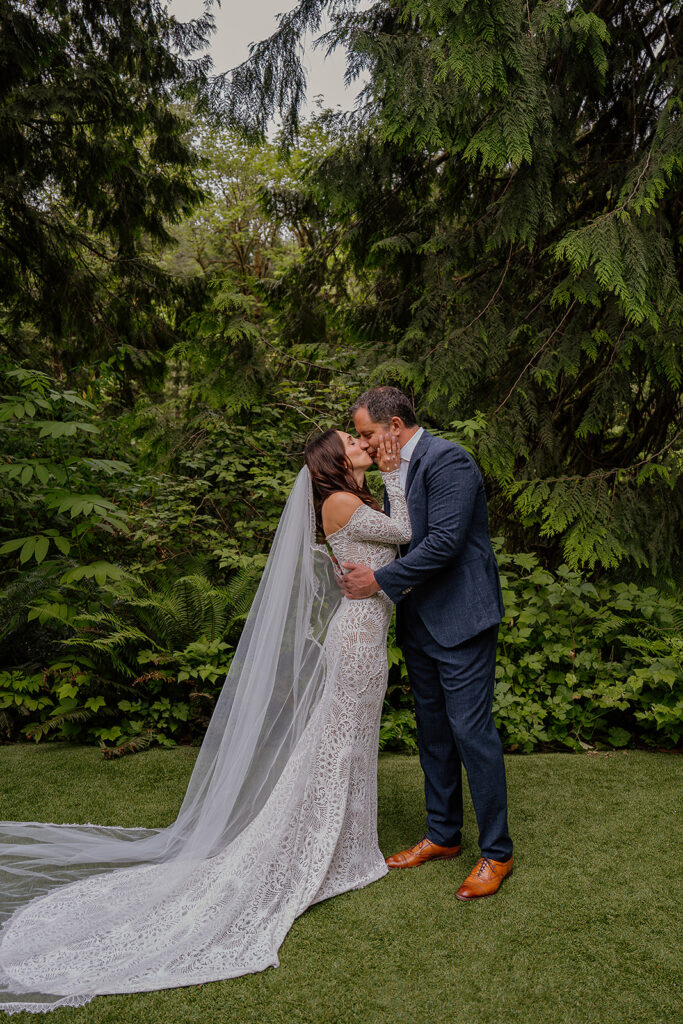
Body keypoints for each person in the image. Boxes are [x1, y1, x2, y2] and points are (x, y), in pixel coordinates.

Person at [0, 429, 411, 1014]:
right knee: (335, 746)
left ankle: (348, 844)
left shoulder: (356, 499)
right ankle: (317, 847)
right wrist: (396, 472)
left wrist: (383, 482)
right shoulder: (340, 503)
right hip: (356, 638)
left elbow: (388, 548)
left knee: (347, 744)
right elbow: (408, 535)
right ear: (334, 459)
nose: (363, 440)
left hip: (369, 638)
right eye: (353, 438)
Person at [340, 386, 513, 900]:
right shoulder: (391, 472)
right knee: (433, 732)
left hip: (461, 617)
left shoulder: (449, 460)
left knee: (470, 732)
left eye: (368, 434)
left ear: (394, 426)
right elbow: (398, 533)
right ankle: (442, 835)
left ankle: (497, 853)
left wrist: (378, 582)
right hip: (418, 619)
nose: (365, 444)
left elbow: (442, 543)